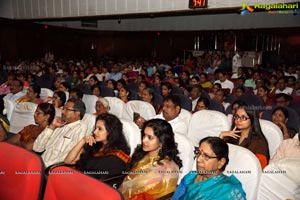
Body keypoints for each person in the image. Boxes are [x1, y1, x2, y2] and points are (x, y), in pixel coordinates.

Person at [120, 119, 182, 199]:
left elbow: (165, 197)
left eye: (150, 138)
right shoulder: (141, 154)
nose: (144, 140)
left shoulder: (168, 168)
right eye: (144, 135)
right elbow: (126, 181)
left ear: (162, 141)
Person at [65, 113, 130, 187]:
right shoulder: (94, 146)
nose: (95, 132)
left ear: (111, 131)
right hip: (77, 182)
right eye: (95, 128)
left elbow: (102, 182)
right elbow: (68, 161)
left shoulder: (117, 157)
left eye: (100, 129)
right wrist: (82, 141)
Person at [173, 137, 246, 200]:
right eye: (198, 153)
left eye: (206, 156)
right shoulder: (190, 177)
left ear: (221, 162)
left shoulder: (227, 190)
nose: (198, 159)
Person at [33, 98, 92, 167]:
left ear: (77, 113)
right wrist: (51, 127)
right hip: (39, 163)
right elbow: (37, 148)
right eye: (63, 108)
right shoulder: (59, 125)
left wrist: (43, 166)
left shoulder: (82, 130)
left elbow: (66, 158)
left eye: (66, 109)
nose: (62, 111)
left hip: (52, 170)